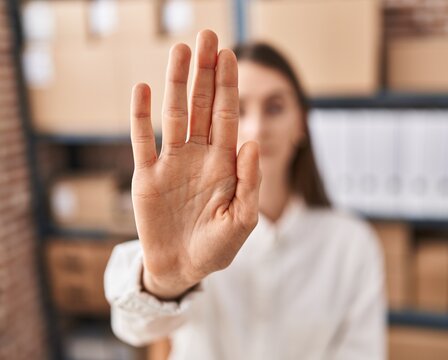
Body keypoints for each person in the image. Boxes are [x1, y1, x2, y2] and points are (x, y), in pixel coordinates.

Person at [104, 29, 386, 360]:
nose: (257, 129)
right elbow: (132, 325)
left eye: (275, 107)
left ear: (302, 124)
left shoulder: (353, 244)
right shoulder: (190, 228)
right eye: (239, 110)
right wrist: (166, 282)